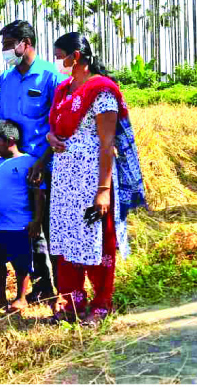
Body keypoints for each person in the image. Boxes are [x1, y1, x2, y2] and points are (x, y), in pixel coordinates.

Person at [46, 33, 147, 325]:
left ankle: (102, 305)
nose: (57, 62)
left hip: (92, 179)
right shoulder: (63, 90)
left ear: (75, 57)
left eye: (59, 55)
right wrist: (51, 137)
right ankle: (72, 303)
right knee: (67, 239)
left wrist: (103, 191)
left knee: (98, 239)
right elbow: (54, 128)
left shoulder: (102, 90)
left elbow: (106, 144)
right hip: (65, 181)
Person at [0, 19, 68, 304]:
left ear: (25, 44)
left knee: (50, 227)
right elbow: (3, 125)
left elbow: (61, 126)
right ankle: (41, 286)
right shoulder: (6, 79)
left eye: (8, 45)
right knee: (27, 229)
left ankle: (63, 291)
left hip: (47, 167)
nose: (5, 50)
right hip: (16, 168)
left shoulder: (51, 77)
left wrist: (41, 162)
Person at [0, 120, 43, 313]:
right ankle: (0, 296)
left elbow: (38, 193)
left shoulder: (28, 162)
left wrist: (37, 220)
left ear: (10, 140)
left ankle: (21, 298)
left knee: (21, 264)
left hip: (18, 226)